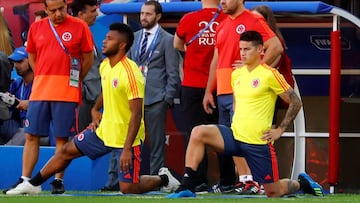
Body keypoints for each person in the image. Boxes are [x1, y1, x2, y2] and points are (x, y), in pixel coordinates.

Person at [5, 22, 180, 195]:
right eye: (105, 38)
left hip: (127, 138)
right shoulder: (105, 66)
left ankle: (163, 179)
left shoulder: (131, 73)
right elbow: (106, 90)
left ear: (122, 45)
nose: (104, 41)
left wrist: (127, 148)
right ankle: (33, 184)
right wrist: (95, 109)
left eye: (110, 39)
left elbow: (136, 114)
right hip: (103, 132)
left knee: (129, 189)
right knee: (66, 151)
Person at [168, 30, 324, 198]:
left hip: (258, 143)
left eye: (247, 49)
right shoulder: (237, 74)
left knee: (273, 192)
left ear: (260, 50)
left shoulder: (269, 74)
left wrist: (280, 129)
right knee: (198, 132)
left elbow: (296, 101)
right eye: (241, 49)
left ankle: (301, 183)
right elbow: (236, 103)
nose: (242, 53)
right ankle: (187, 186)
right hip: (235, 137)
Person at [5, 0, 94, 195]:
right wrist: (43, 76)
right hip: (41, 91)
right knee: (31, 135)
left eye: (61, 9)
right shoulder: (36, 27)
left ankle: (57, 180)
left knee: (62, 138)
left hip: (67, 92)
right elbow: (32, 57)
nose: (58, 14)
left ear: (66, 6)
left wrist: (75, 80)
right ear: (45, 10)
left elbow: (88, 58)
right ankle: (25, 179)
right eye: (53, 10)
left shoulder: (80, 26)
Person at [202, 0, 283, 194]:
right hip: (223, 90)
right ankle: (246, 180)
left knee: (244, 136)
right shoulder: (222, 24)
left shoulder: (253, 19)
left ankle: (255, 181)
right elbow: (216, 59)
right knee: (232, 139)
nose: (222, 1)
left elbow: (276, 46)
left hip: (242, 90)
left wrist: (253, 70)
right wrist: (208, 90)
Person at [173, 0, 226, 192]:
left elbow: (177, 43)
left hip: (193, 85)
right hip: (221, 86)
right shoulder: (227, 18)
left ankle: (197, 180)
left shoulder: (189, 19)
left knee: (194, 134)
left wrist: (193, 51)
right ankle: (227, 181)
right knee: (224, 134)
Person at [128, 0, 180, 176]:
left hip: (156, 98)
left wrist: (167, 98)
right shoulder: (133, 38)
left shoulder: (168, 39)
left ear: (158, 16)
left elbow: (173, 73)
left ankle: (155, 179)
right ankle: (123, 179)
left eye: (148, 14)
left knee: (157, 142)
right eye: (142, 13)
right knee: (129, 140)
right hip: (133, 98)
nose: (144, 17)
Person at [251, 5, 295, 111]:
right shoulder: (248, 43)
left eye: (259, 20)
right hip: (253, 89)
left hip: (268, 90)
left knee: (269, 124)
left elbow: (270, 68)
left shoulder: (276, 45)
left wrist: (251, 70)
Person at [0, 47, 33, 145]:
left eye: (20, 61)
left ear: (31, 61)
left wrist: (29, 104)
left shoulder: (40, 84)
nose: (16, 65)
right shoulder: (16, 84)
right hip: (18, 124)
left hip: (34, 127)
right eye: (14, 62)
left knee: (24, 133)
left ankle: (5, 154)